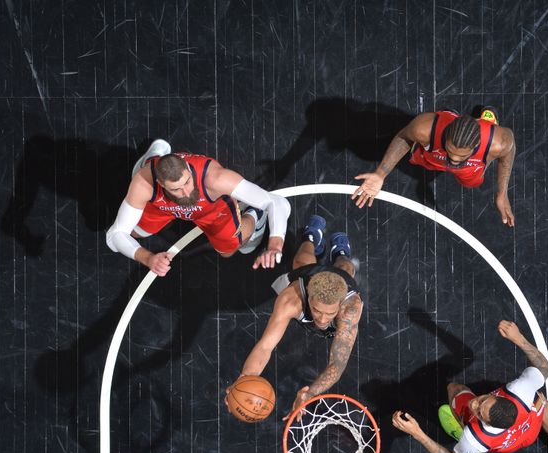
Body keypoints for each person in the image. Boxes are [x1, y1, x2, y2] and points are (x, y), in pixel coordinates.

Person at [392, 320, 548, 453]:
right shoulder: (521, 390)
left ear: (484, 422)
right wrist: (518, 338)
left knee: (455, 389)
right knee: (542, 405)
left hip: (501, 443)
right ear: (504, 398)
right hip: (527, 430)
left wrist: (417, 433)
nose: (474, 402)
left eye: (479, 411)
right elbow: (544, 369)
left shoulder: (475, 438)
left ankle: (461, 425)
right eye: (483, 399)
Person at [227, 215, 363, 418]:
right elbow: (266, 346)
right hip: (308, 274)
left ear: (340, 306)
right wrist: (245, 378)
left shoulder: (350, 309)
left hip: (341, 280)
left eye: (330, 313)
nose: (323, 320)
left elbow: (338, 363)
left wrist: (311, 394)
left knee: (346, 269)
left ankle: (340, 252)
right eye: (317, 310)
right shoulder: (291, 300)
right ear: (309, 297)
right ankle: (311, 237)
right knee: (301, 262)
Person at [106, 139, 291, 275]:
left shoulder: (216, 179)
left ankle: (255, 215)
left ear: (187, 167)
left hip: (212, 210)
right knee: (134, 233)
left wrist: (275, 245)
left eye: (187, 182)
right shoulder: (144, 183)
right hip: (163, 206)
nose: (186, 193)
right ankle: (152, 158)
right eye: (176, 189)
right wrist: (148, 258)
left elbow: (277, 202)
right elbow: (114, 235)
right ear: (161, 185)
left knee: (229, 251)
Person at [352, 107, 517, 227]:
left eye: (461, 156)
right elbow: (403, 137)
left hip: (469, 167)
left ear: (475, 146)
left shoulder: (500, 141)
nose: (453, 159)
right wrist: (381, 173)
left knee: (471, 183)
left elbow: (508, 154)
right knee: (420, 158)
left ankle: (487, 122)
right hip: (433, 157)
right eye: (450, 151)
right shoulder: (424, 129)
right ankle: (450, 116)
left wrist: (502, 194)